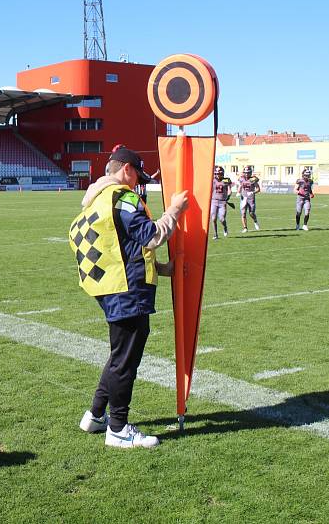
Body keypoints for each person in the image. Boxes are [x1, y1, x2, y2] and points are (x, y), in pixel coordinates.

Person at [70, 146, 188, 449]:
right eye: (138, 176)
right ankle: (118, 428)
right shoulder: (121, 197)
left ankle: (96, 415)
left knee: (118, 355)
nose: (138, 183)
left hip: (109, 288)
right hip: (126, 292)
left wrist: (161, 269)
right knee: (125, 361)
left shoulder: (95, 201)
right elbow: (151, 236)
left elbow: (120, 250)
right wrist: (174, 210)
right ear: (126, 170)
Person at [236, 166, 261, 233]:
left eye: (248, 173)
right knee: (243, 213)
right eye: (245, 173)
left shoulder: (253, 179)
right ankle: (245, 228)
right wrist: (238, 192)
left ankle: (255, 221)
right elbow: (240, 186)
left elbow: (258, 189)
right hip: (243, 198)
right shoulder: (241, 179)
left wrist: (253, 192)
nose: (247, 174)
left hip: (250, 198)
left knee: (251, 213)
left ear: (250, 173)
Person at [210, 166, 232, 240]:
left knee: (222, 218)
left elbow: (229, 190)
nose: (217, 175)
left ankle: (225, 227)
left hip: (222, 202)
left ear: (222, 173)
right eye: (216, 173)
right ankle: (215, 234)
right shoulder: (212, 180)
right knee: (213, 218)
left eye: (219, 173)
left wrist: (228, 195)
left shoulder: (226, 180)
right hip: (214, 201)